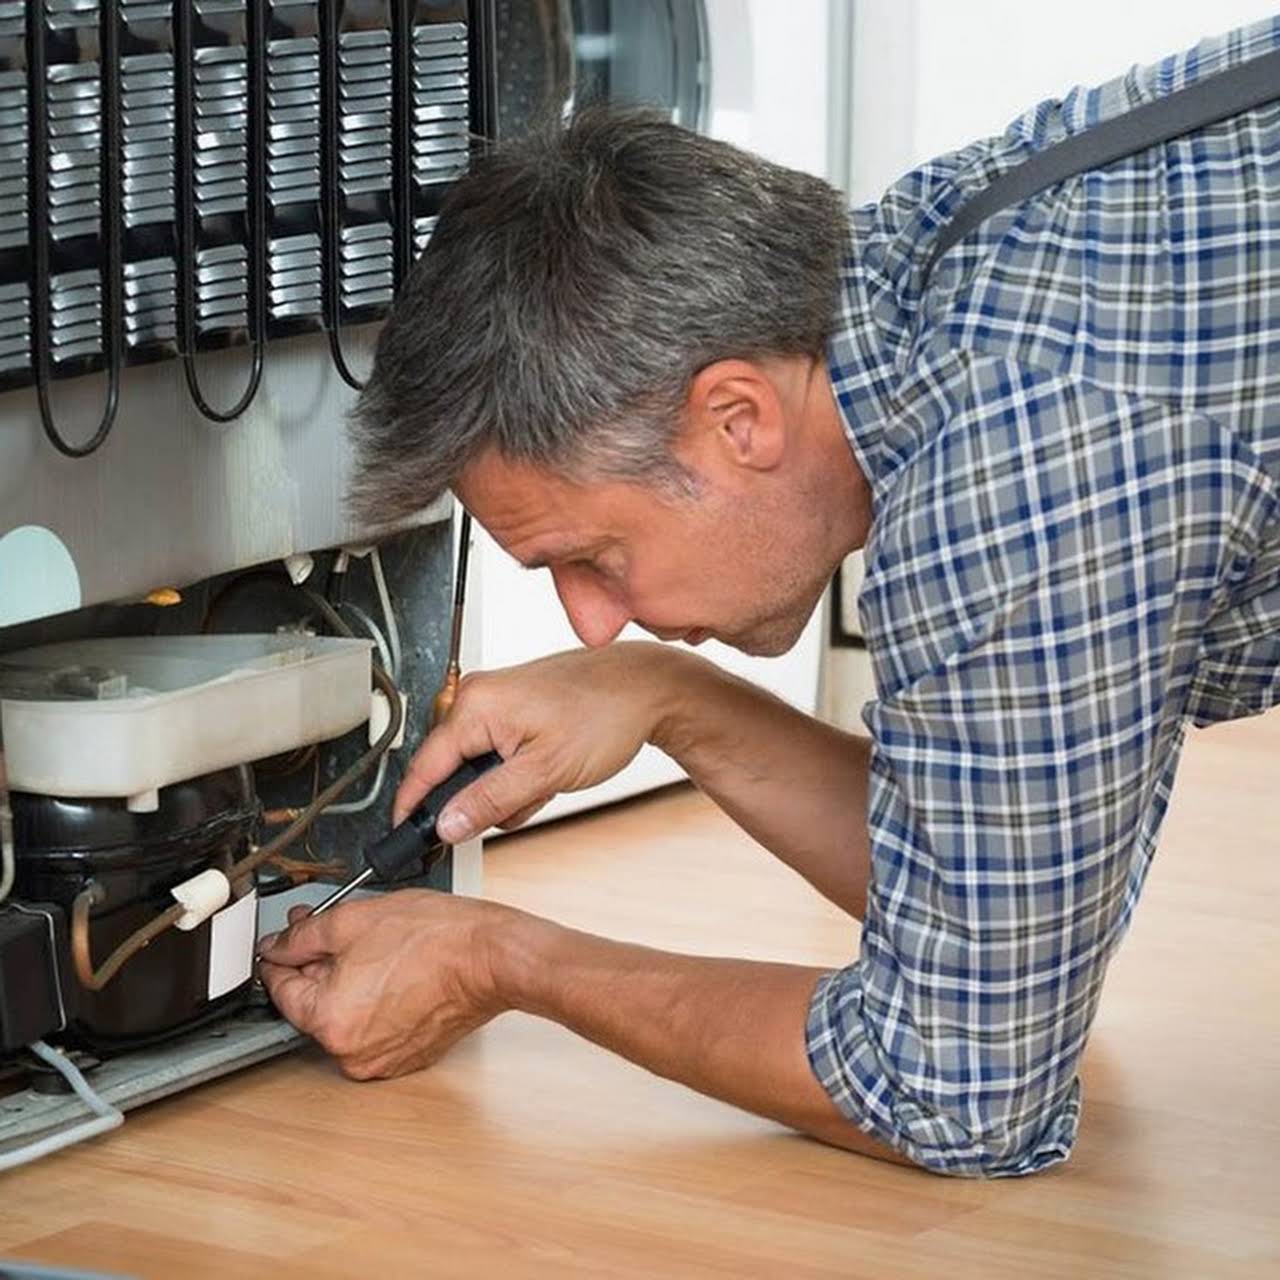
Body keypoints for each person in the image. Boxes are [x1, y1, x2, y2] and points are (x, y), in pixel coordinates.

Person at [258, 18, 1280, 1178]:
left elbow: (951, 1087)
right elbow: (993, 890)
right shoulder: (926, 273)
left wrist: (506, 959)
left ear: (735, 419)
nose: (588, 622)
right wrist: (664, 696)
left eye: (588, 556)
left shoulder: (1008, 468)